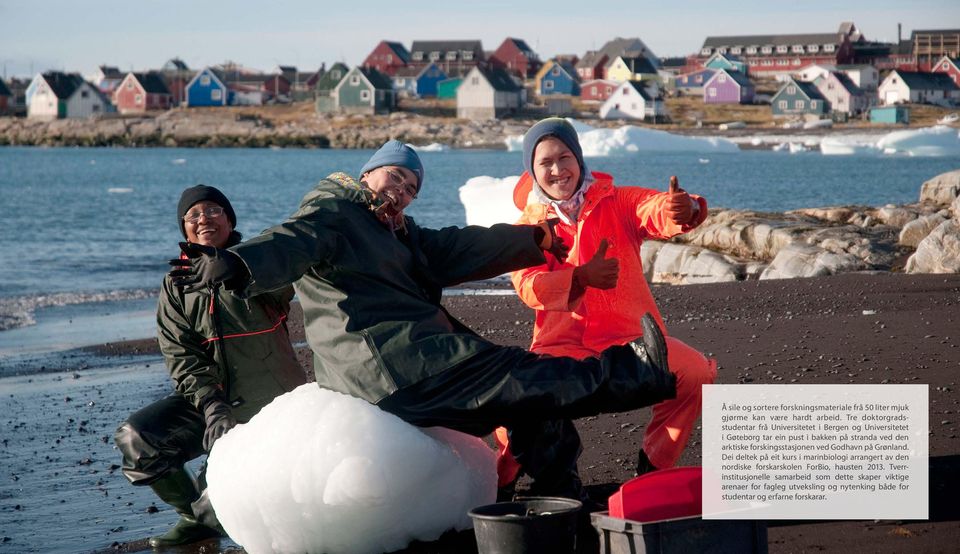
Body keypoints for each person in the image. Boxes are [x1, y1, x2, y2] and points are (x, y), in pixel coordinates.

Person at [168, 140, 678, 504]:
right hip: (390, 367)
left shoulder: (399, 234)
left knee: (534, 406)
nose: (402, 192)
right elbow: (292, 242)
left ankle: (556, 501)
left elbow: (459, 246)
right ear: (368, 174)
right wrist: (238, 264)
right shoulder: (335, 214)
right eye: (394, 177)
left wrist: (536, 240)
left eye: (411, 187)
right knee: (528, 376)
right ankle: (635, 374)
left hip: (422, 360)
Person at [494, 117, 718, 492]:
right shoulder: (529, 227)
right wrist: (579, 278)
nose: (556, 169)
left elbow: (655, 208)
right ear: (532, 172)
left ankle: (653, 467)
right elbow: (528, 287)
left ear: (579, 159)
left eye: (564, 157)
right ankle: (502, 479)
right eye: (544, 163)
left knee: (696, 373)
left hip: (631, 340)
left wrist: (685, 210)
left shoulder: (617, 200)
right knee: (513, 402)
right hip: (559, 345)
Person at [114, 185, 308, 547]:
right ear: (184, 228)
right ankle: (194, 518)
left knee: (218, 497)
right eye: (194, 215)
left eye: (214, 210)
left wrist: (237, 269)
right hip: (213, 404)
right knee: (138, 439)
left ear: (230, 219)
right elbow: (180, 353)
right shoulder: (175, 284)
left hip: (270, 405)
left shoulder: (260, 264)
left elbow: (291, 262)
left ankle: (206, 514)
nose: (204, 219)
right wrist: (210, 402)